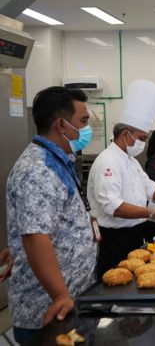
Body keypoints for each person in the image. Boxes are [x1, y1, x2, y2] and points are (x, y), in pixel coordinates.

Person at [6, 86, 97, 344]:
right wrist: (59, 295)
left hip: (72, 300)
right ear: (61, 124)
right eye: (83, 121)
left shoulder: (58, 160)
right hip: (47, 307)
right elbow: (36, 238)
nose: (86, 129)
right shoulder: (37, 169)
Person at [88, 80, 155, 277]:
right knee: (115, 285)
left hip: (135, 235)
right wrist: (151, 212)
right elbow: (114, 207)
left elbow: (152, 189)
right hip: (114, 239)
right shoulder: (108, 162)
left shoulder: (131, 161)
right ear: (125, 134)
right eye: (142, 138)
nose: (143, 144)